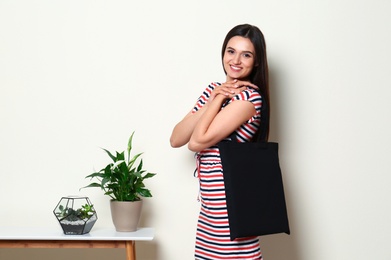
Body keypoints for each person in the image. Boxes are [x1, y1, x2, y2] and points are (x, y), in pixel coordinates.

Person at [170, 24, 269, 260]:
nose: (236, 60)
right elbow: (176, 138)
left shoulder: (249, 98)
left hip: (231, 212)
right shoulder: (213, 91)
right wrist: (217, 96)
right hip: (209, 214)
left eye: (246, 54)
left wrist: (220, 96)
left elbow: (196, 142)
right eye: (230, 51)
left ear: (256, 62)